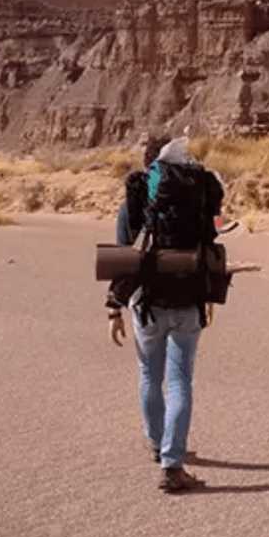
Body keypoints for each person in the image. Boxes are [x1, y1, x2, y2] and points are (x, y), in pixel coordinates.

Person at [109, 137, 225, 494]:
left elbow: (123, 251)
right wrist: (208, 294)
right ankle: (173, 465)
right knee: (179, 381)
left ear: (149, 164)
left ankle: (158, 444)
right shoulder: (199, 193)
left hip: (145, 301)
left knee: (149, 374)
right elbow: (211, 240)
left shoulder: (139, 193)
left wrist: (114, 304)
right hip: (188, 299)